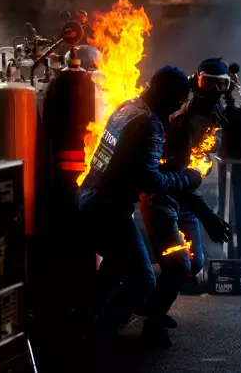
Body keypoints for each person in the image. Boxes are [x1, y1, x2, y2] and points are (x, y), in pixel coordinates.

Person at [76, 65, 204, 344]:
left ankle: (82, 324)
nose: (177, 106)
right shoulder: (149, 123)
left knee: (114, 268)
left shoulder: (128, 106)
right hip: (107, 209)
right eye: (177, 99)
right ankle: (101, 338)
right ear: (162, 92)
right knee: (143, 279)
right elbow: (150, 180)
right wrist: (185, 179)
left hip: (90, 198)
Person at [138, 58, 232, 349]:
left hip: (185, 197)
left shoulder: (216, 114)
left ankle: (153, 302)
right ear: (196, 83)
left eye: (223, 84)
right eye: (210, 83)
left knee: (195, 264)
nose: (217, 90)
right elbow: (175, 180)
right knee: (178, 264)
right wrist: (206, 214)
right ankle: (151, 319)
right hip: (164, 197)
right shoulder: (183, 123)